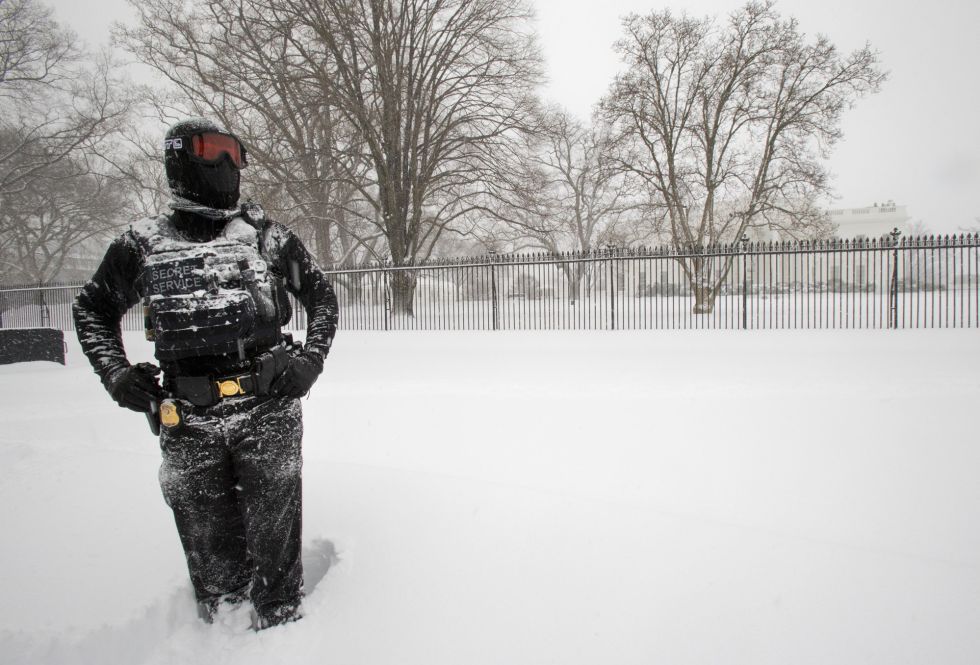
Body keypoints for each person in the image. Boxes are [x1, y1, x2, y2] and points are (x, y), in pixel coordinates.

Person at [73, 118, 338, 629]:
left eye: (233, 153)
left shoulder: (267, 238)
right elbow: (93, 310)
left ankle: (283, 629)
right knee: (209, 545)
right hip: (187, 419)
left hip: (267, 409)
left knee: (274, 537)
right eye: (211, 151)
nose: (224, 165)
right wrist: (116, 374)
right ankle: (221, 633)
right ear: (180, 158)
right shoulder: (142, 244)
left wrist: (310, 362)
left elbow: (322, 298)